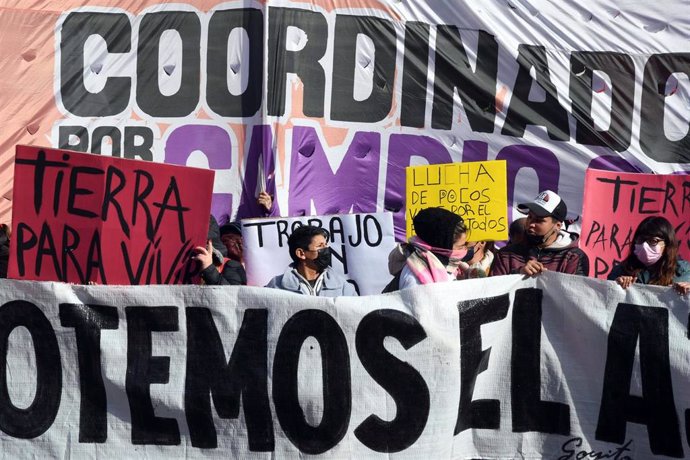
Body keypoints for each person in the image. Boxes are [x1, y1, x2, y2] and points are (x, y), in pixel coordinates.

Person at [491, 190, 589, 276]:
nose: (531, 224)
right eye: (530, 217)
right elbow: (492, 292)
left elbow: (573, 293)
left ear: (557, 226)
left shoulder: (572, 257)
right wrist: (519, 274)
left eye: (539, 220)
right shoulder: (506, 254)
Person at [386, 207, 470, 290]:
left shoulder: (450, 267)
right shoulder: (417, 278)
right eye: (460, 247)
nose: (465, 249)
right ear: (442, 247)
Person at [265, 225, 357, 296]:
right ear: (301, 253)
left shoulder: (342, 287)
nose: (326, 249)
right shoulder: (276, 286)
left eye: (326, 244)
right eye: (320, 246)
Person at [608, 216, 690, 295]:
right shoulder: (621, 270)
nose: (644, 245)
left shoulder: (684, 272)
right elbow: (605, 302)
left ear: (667, 244)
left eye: (653, 241)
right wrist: (615, 287)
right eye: (641, 240)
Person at [192, 215, 246, 285]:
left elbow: (231, 294)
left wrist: (209, 268)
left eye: (232, 237)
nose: (228, 241)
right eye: (224, 238)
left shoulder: (231, 265)